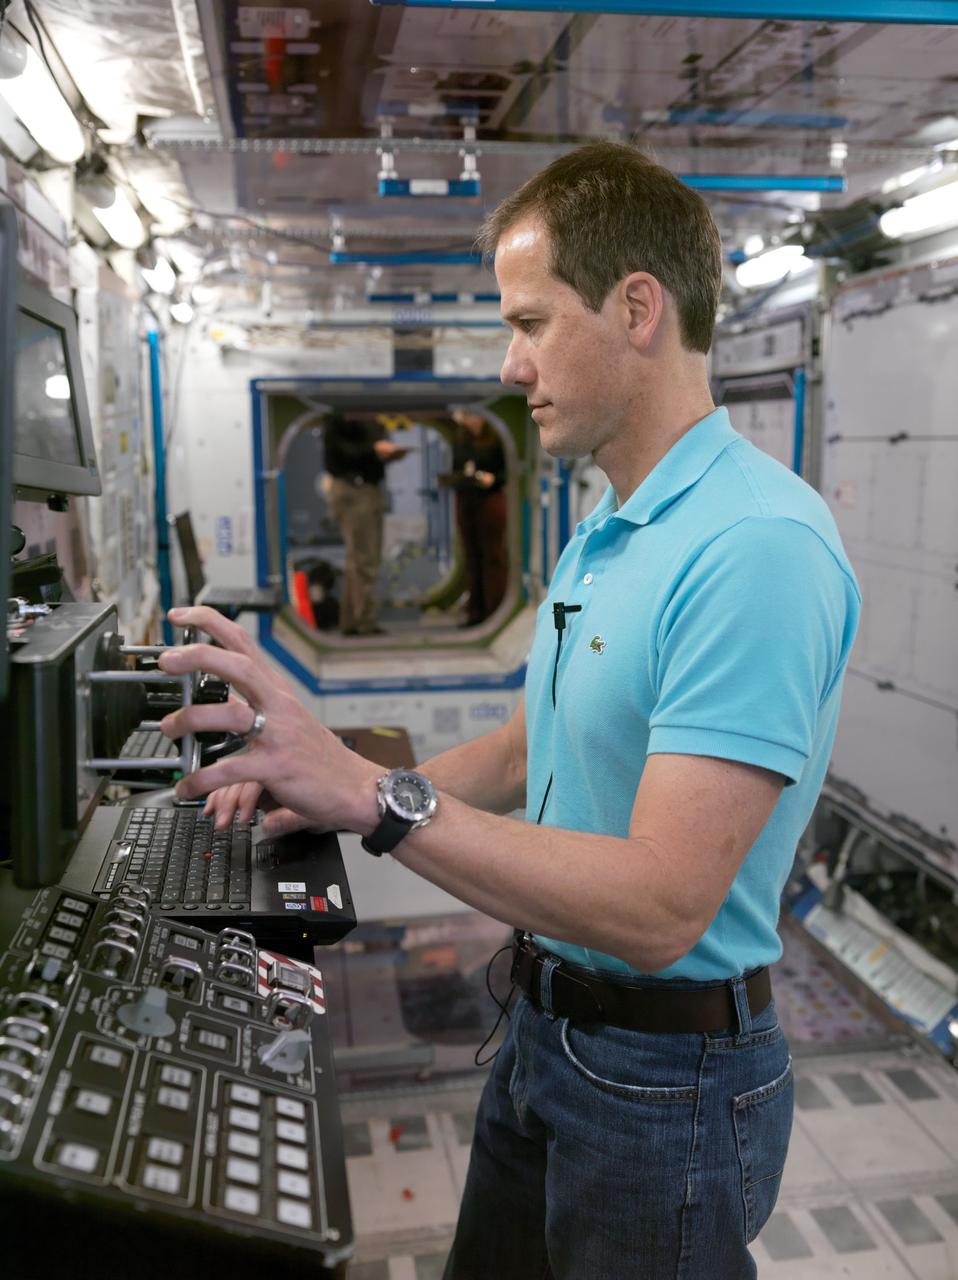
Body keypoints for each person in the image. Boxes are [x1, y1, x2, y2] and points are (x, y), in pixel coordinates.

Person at [157, 141, 860, 1279]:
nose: (508, 362)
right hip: (545, 1031)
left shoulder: (754, 549)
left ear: (637, 308)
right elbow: (538, 743)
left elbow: (658, 906)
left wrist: (376, 800)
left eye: (531, 323)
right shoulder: (608, 524)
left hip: (662, 1087)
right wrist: (327, 769)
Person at [322, 412, 406, 636]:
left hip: (366, 489)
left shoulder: (369, 416)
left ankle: (352, 621)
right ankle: (364, 623)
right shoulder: (341, 415)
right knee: (365, 559)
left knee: (358, 559)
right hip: (355, 490)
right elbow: (341, 451)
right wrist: (373, 451)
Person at [445, 408, 508, 626]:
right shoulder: (460, 441)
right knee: (472, 558)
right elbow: (455, 470)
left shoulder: (496, 439)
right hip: (467, 501)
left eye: (474, 415)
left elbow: (506, 472)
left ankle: (494, 611)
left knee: (492, 556)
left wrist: (492, 479)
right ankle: (475, 612)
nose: (471, 420)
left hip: (490, 500)